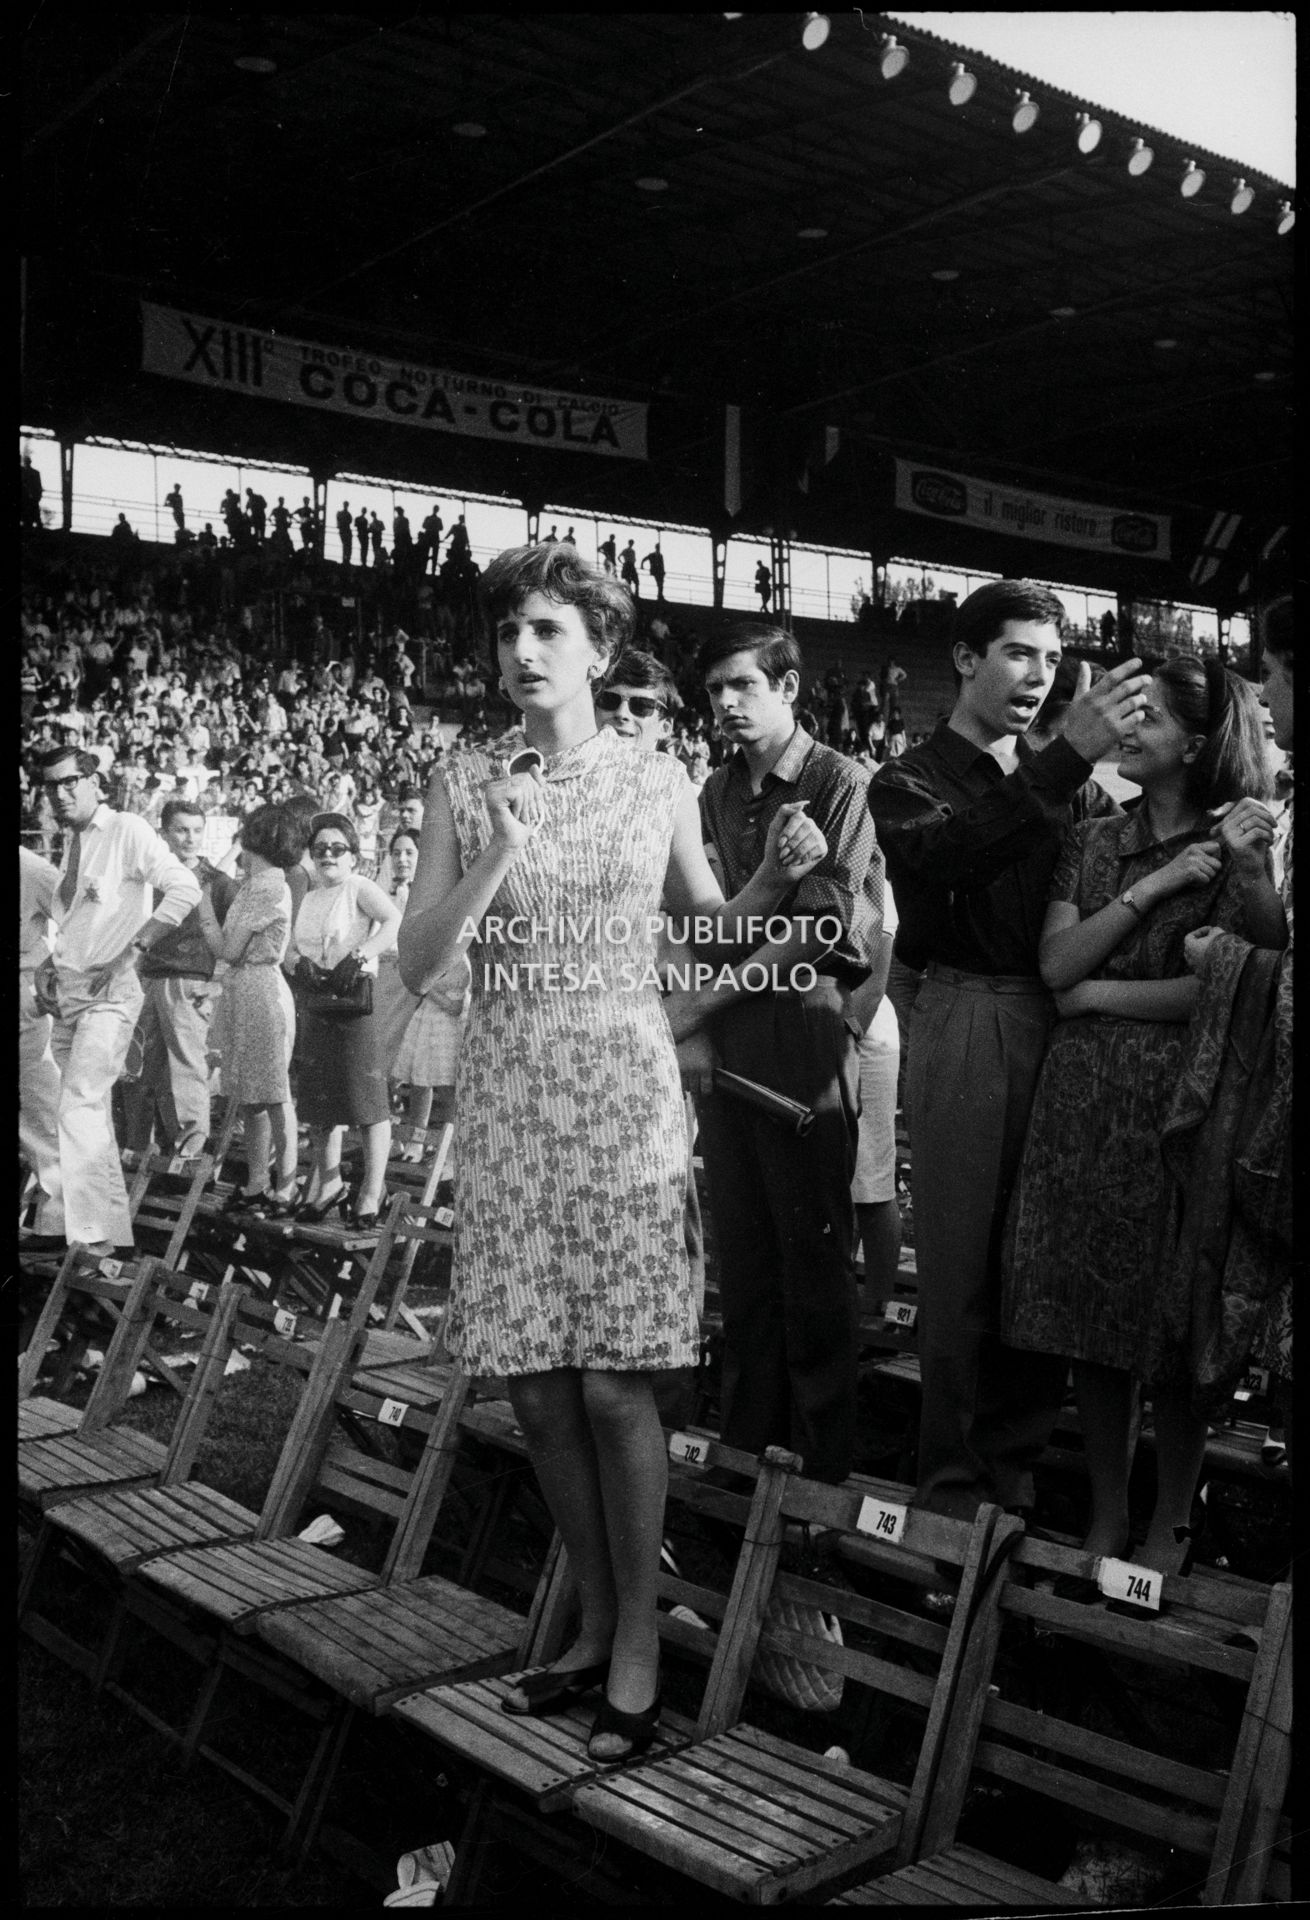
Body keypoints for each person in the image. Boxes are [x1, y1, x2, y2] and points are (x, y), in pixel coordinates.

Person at [398, 544, 824, 1762]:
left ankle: (634, 1638)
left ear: (595, 643)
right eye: (506, 635)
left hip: (625, 1085)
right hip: (511, 1089)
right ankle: (587, 1627)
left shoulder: (657, 776)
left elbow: (702, 922)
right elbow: (424, 968)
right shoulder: (461, 779)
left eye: (544, 630)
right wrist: (495, 848)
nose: (520, 654)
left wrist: (774, 881)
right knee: (535, 1388)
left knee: (612, 1382)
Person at [870, 580, 1144, 1522]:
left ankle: (1012, 1483)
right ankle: (948, 1488)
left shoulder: (1063, 783)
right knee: (958, 1271)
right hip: (971, 1016)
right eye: (1020, 653)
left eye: (1051, 657)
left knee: (1039, 1261)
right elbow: (949, 859)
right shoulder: (906, 778)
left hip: (1063, 1022)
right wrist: (1066, 761)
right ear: (965, 658)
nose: (1040, 674)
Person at [1001, 654, 1273, 1579]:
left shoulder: (1234, 842)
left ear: (1194, 744)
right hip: (1080, 1109)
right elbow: (1054, 966)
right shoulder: (1094, 838)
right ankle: (1111, 1513)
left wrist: (1100, 995)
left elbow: (1221, 993)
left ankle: (1174, 1515)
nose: (1127, 726)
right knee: (1093, 1320)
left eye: (1147, 717)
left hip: (1178, 1105)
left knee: (1171, 1317)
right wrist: (1150, 892)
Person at [666, 622, 884, 1487]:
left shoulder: (839, 779)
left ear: (788, 688)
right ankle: (748, 1448)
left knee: (814, 1260)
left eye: (742, 686)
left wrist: (705, 1001)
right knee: (746, 1255)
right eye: (714, 689)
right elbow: (700, 922)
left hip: (800, 1031)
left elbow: (822, 925)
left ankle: (821, 1465)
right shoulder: (715, 788)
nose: (724, 703)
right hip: (731, 1039)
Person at [28, 743, 201, 1255]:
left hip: (111, 994)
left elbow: (184, 888)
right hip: (69, 993)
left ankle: (89, 1234)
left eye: (69, 783)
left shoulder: (125, 828)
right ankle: (101, 1233)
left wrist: (135, 951)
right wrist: (48, 964)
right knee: (82, 1109)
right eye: (50, 786)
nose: (60, 795)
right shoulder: (72, 843)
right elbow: (82, 922)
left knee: (79, 1103)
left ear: (92, 781)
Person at [286, 812, 401, 1226]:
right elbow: (289, 946)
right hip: (318, 1002)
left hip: (355, 1004)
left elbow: (393, 921)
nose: (328, 855)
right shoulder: (311, 896)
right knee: (320, 1102)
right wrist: (299, 964)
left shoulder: (358, 887)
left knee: (367, 1099)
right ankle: (330, 1183)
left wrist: (361, 955)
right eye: (320, 849)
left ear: (353, 855)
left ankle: (373, 1190)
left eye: (338, 848)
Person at [196, 804, 302, 1216]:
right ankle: (259, 1181)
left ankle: (285, 1186)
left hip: (259, 987)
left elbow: (227, 948)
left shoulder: (267, 886)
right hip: (244, 988)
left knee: (274, 1093)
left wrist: (202, 902)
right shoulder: (256, 883)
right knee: (252, 1095)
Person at [121, 797, 236, 1158]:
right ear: (163, 833)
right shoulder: (151, 878)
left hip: (188, 982)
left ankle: (189, 1153)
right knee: (137, 1069)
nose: (190, 838)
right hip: (145, 979)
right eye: (181, 830)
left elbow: (237, 942)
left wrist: (218, 982)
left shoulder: (218, 883)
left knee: (186, 1068)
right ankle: (137, 1148)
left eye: (197, 831)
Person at [388, 828, 470, 1161]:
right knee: (421, 1078)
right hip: (430, 998)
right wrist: (435, 993)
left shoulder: (461, 896)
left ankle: (449, 1148)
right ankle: (416, 1141)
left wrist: (461, 999)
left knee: (452, 1082)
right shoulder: (419, 898)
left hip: (460, 998)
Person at [20, 845, 63, 1240]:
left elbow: (80, 919)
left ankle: (56, 1222)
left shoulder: (30, 867)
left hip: (22, 995)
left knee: (38, 1110)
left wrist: (52, 969)